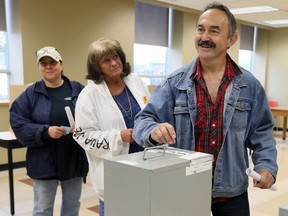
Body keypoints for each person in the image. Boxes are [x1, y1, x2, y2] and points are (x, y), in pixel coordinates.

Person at [132, 2, 278, 216]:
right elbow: (142, 121)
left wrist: (266, 167)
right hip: (183, 190)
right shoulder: (174, 83)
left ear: (231, 40)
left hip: (231, 194)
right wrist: (153, 131)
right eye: (200, 29)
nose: (204, 36)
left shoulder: (249, 86)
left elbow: (262, 133)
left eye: (214, 31)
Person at [73, 38, 150, 216]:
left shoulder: (136, 81)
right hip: (115, 171)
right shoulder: (89, 95)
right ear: (97, 67)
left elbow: (150, 113)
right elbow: (82, 135)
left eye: (116, 57)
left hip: (145, 164)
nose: (114, 63)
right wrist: (118, 137)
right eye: (106, 60)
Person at [9, 46, 89, 216]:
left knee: (72, 206)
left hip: (73, 160)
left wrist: (83, 128)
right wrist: (46, 131)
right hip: (44, 161)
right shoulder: (31, 94)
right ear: (39, 67)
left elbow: (93, 115)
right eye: (43, 63)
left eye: (52, 62)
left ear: (61, 65)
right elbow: (18, 123)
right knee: (42, 209)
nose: (48, 66)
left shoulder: (78, 90)